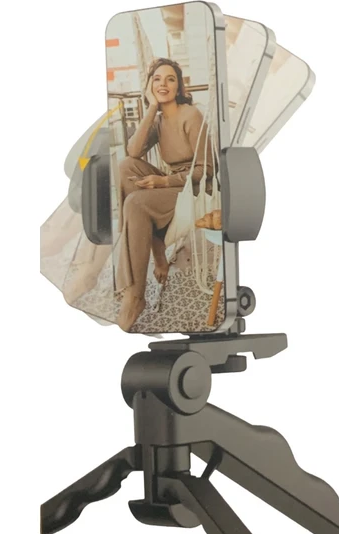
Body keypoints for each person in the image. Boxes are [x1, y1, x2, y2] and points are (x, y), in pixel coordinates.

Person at [116, 57, 213, 332]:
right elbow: (133, 152)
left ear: (179, 86)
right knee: (125, 168)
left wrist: (163, 181)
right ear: (150, 86)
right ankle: (156, 246)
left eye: (170, 79)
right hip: (172, 184)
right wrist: (151, 108)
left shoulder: (190, 116)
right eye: (157, 79)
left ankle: (135, 296)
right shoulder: (159, 120)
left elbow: (207, 169)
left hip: (194, 188)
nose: (163, 84)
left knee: (135, 203)